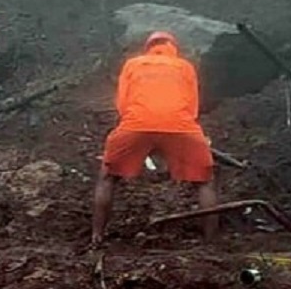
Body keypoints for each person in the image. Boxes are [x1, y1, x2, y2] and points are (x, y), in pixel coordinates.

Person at [91, 31, 217, 245]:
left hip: (136, 124)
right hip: (181, 126)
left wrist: (143, 130)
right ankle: (212, 241)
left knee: (107, 177)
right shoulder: (185, 67)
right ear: (173, 47)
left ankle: (97, 236)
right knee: (205, 182)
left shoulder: (133, 64)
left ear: (148, 47)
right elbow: (193, 106)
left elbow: (122, 103)